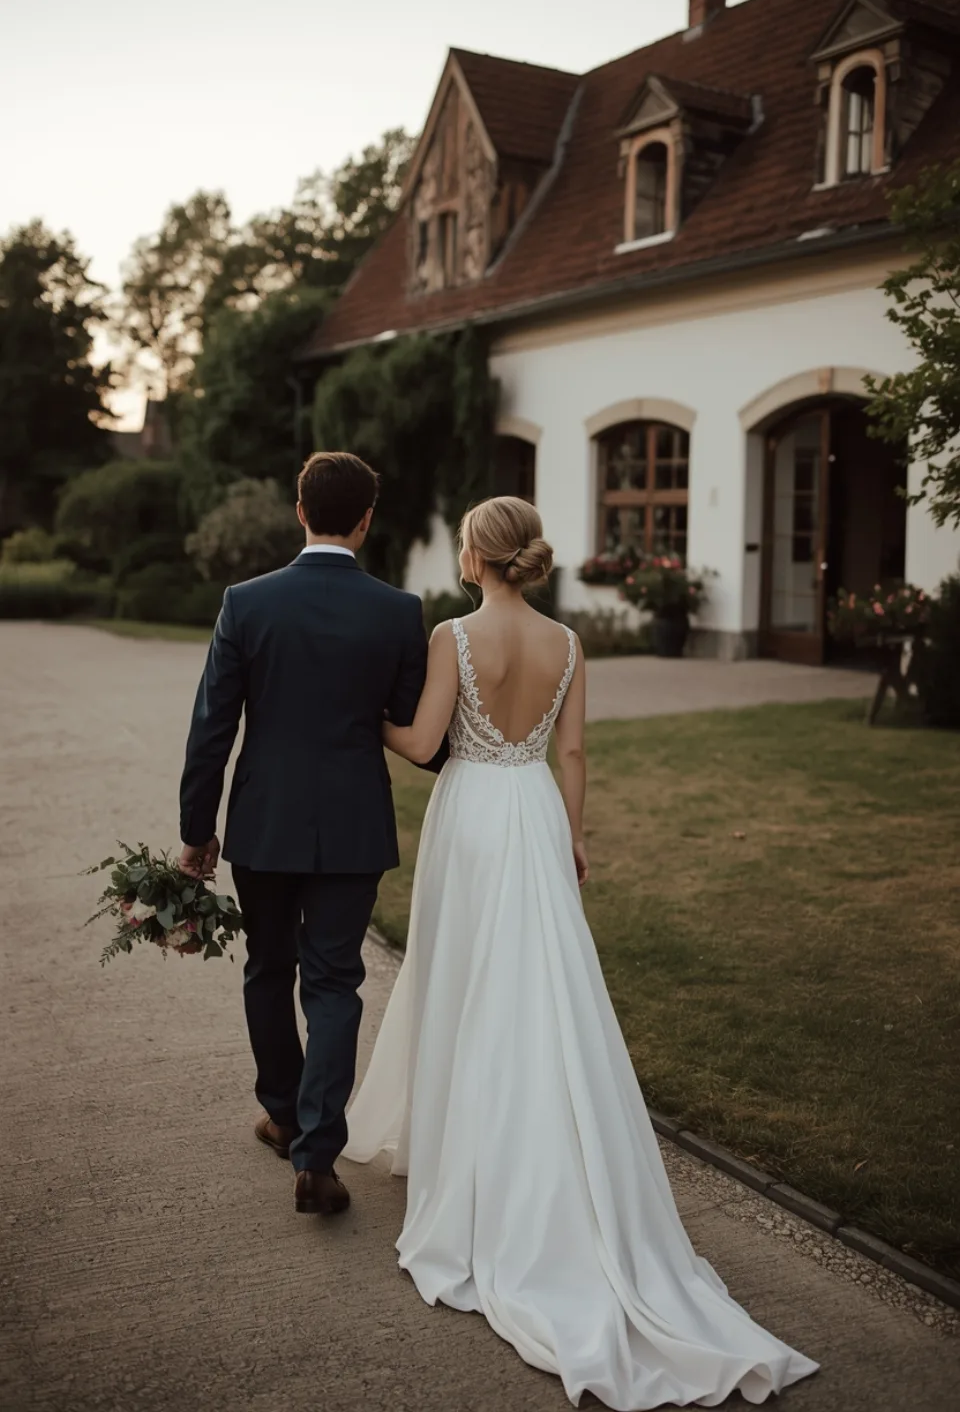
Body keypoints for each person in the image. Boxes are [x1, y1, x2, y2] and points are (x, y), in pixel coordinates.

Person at [344, 495, 819, 1410]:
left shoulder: (452, 635)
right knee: (540, 989)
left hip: (476, 814)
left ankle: (471, 1156)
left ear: (477, 555)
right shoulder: (568, 643)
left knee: (465, 983)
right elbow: (573, 752)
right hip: (531, 810)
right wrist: (573, 833)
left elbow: (424, 742)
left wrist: (362, 712)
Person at [178, 451, 444, 1217]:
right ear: (366, 520)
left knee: (268, 967)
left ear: (300, 511)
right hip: (354, 823)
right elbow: (405, 723)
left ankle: (286, 1113)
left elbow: (211, 728)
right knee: (334, 982)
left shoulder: (247, 602)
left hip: (264, 822)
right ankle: (317, 1152)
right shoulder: (398, 611)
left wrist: (197, 830)